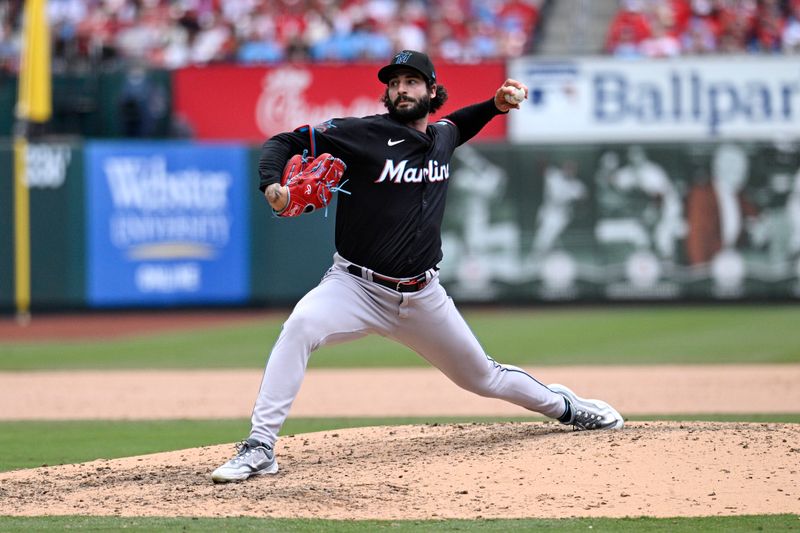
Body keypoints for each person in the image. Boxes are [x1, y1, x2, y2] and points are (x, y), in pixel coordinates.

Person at [211, 50, 624, 483]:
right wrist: (272, 182)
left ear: (431, 90)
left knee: (483, 377)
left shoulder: (441, 136)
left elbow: (458, 126)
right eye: (394, 83)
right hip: (356, 287)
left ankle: (567, 408)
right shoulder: (362, 134)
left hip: (423, 295)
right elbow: (283, 142)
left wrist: (496, 105)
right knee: (299, 328)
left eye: (411, 81)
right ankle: (260, 447)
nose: (401, 89)